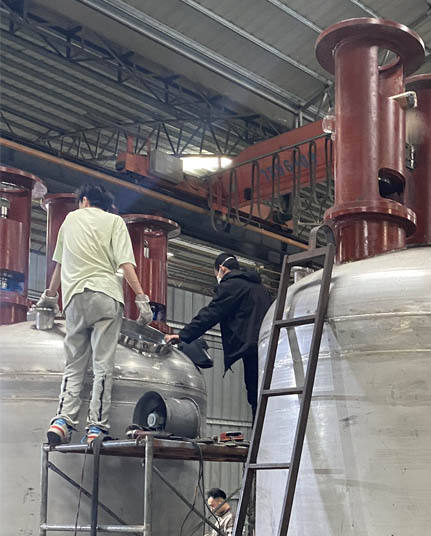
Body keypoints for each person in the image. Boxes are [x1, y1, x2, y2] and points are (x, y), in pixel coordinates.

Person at [35, 184, 153, 444]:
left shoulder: (69, 220)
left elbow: (60, 264)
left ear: (84, 200)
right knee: (103, 366)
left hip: (75, 298)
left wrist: (50, 296)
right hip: (106, 297)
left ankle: (62, 422)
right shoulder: (115, 222)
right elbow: (125, 264)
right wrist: (141, 298)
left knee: (74, 364)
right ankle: (95, 428)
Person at [165, 253, 270, 418]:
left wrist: (183, 335)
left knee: (255, 394)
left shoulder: (232, 285)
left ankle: (260, 433)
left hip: (252, 348)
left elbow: (211, 313)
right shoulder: (260, 289)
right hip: (270, 345)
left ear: (221, 269)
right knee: (266, 393)